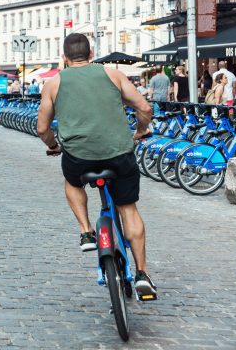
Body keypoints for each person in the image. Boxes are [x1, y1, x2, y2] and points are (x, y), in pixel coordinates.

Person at [36, 33, 157, 299]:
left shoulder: (54, 83)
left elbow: (42, 128)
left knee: (72, 181)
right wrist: (140, 130)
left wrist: (54, 145)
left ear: (64, 58)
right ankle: (142, 274)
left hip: (79, 157)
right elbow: (144, 107)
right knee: (128, 209)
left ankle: (86, 232)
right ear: (92, 54)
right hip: (119, 152)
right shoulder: (112, 75)